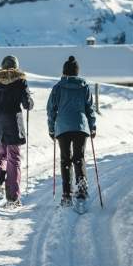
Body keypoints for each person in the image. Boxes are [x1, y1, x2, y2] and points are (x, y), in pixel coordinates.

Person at [0, 55, 34, 207]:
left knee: (1, 153)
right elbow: (26, 104)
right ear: (16, 67)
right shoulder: (20, 80)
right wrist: (29, 100)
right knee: (14, 157)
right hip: (13, 121)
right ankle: (12, 197)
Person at [46, 56, 96, 206]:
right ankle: (81, 187)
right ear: (77, 72)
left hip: (63, 128)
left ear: (64, 72)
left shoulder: (58, 88)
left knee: (65, 160)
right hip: (80, 127)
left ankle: (67, 194)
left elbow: (51, 110)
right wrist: (92, 126)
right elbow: (90, 109)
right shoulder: (84, 86)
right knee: (79, 157)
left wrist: (51, 129)